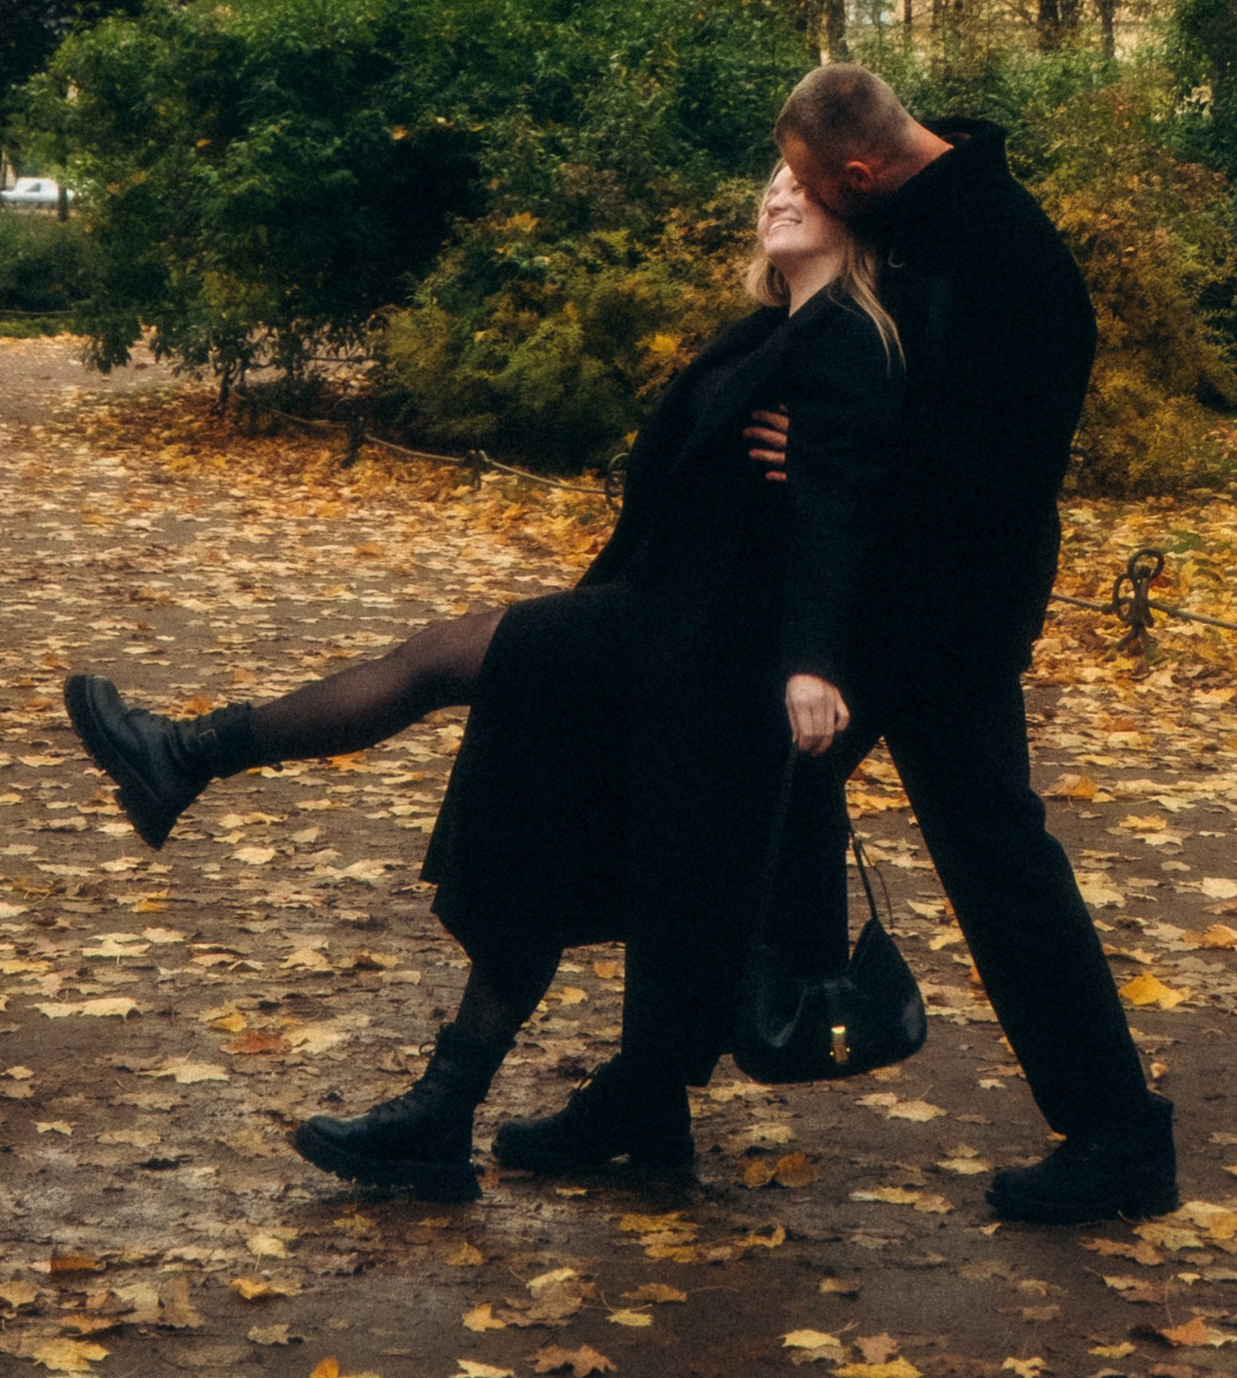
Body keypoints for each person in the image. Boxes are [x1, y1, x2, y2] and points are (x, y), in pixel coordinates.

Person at [62, 164, 903, 1200]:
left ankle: (189, 754)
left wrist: (815, 660)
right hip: (669, 636)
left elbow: (843, 516)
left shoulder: (847, 342)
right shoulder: (770, 329)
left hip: (710, 655)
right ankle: (498, 1112)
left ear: (852, 212)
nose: (779, 198)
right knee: (538, 838)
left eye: (804, 189)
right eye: (771, 186)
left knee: (445, 658)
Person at [761, 62, 1178, 1226]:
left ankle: (1118, 1131)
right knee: (741, 805)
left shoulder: (1001, 258)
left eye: (805, 182)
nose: (797, 198)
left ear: (858, 170)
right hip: (890, 599)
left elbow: (991, 466)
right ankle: (650, 1085)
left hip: (944, 613)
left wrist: (829, 456)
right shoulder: (927, 224)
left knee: (994, 858)